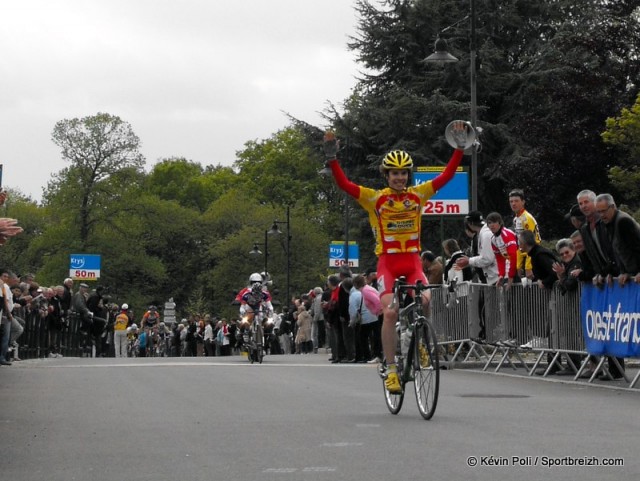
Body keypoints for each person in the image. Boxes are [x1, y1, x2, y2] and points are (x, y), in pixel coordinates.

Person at [325, 122, 467, 393]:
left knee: (426, 300)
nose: (399, 177)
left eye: (403, 173)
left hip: (412, 262)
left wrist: (459, 148)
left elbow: (447, 176)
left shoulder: (419, 194)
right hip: (387, 263)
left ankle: (421, 342)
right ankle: (391, 369)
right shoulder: (374, 199)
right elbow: (344, 184)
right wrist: (332, 159)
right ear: (386, 175)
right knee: (389, 313)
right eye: (394, 173)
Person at [594, 193, 640, 286]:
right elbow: (617, 252)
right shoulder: (608, 223)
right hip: (631, 275)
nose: (602, 215)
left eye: (604, 211)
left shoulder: (623, 221)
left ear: (612, 207)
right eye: (598, 212)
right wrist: (622, 272)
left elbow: (637, 247)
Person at [508, 188, 541, 279]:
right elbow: (520, 245)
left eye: (516, 201)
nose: (513, 204)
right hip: (525, 259)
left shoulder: (527, 218)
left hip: (533, 259)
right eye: (511, 201)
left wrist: (528, 267)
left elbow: (534, 243)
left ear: (523, 202)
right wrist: (518, 265)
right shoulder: (516, 219)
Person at [485, 212, 519, 289]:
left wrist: (510, 278)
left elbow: (514, 257)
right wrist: (501, 275)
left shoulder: (507, 234)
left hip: (520, 267)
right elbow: (500, 259)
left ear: (500, 223)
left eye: (494, 222)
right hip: (513, 268)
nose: (492, 225)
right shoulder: (493, 240)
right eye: (489, 223)